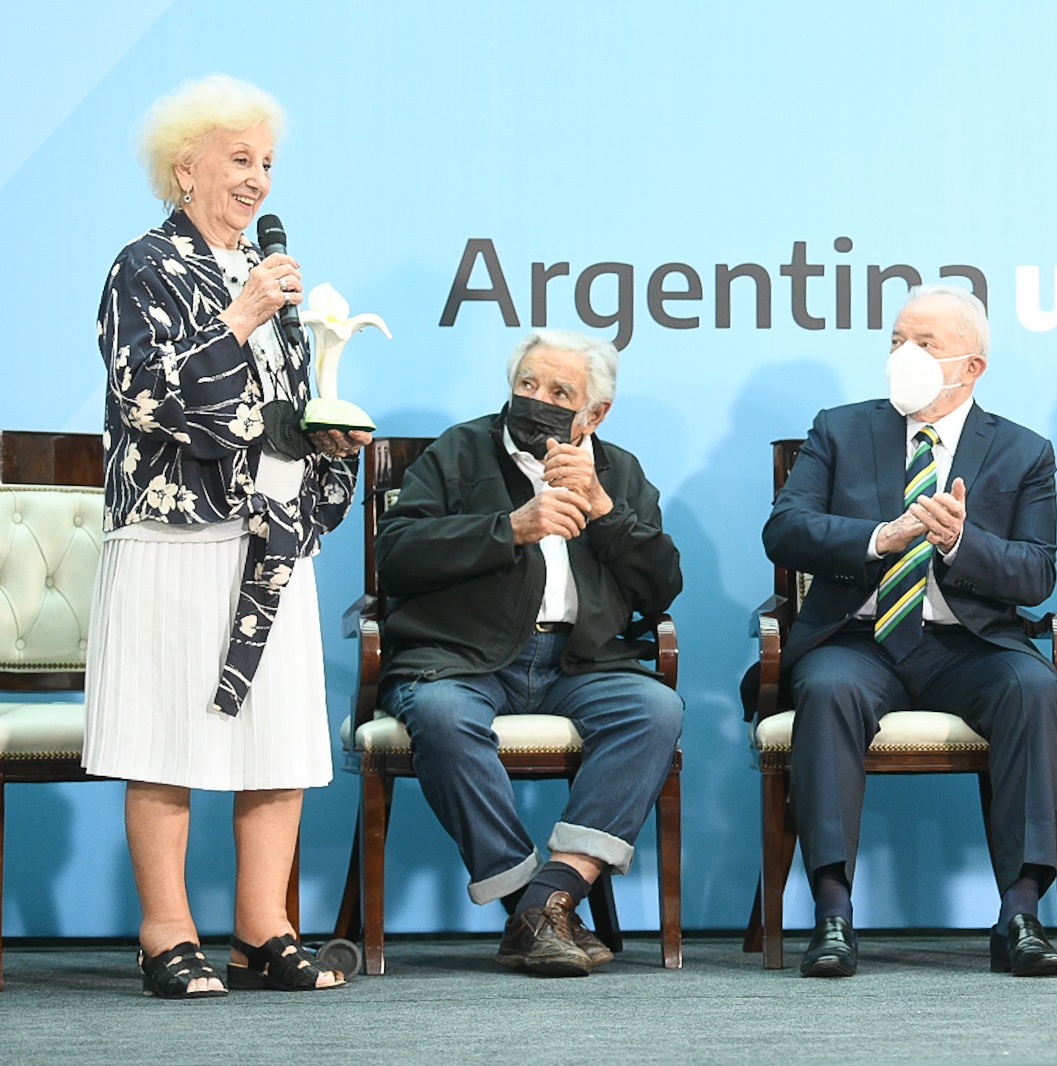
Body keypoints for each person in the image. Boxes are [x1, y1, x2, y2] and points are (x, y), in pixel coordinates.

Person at [87, 74, 365, 998]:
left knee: (278, 739)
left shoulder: (275, 282)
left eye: (268, 163)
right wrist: (241, 316)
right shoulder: (144, 267)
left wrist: (326, 443)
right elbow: (153, 401)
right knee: (166, 737)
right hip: (176, 540)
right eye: (239, 160)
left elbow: (279, 411)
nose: (258, 181)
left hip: (270, 540)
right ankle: (164, 930)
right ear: (184, 169)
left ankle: (263, 928)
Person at [761, 285, 1057, 978]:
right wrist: (880, 536)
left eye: (924, 344)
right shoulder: (840, 430)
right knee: (829, 689)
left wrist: (962, 544)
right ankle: (834, 915)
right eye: (897, 340)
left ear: (972, 367)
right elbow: (785, 529)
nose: (904, 355)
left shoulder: (1023, 452)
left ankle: (1020, 913)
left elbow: (1036, 574)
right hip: (858, 639)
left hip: (971, 644)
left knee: (1032, 688)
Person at [374, 330, 683, 978]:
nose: (537, 400)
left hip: (582, 661)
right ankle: (540, 909)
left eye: (560, 393)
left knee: (654, 709)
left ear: (594, 414)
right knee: (438, 712)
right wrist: (509, 528)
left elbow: (661, 585)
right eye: (527, 385)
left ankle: (547, 899)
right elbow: (394, 554)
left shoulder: (619, 471)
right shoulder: (460, 450)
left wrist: (602, 509)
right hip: (463, 657)